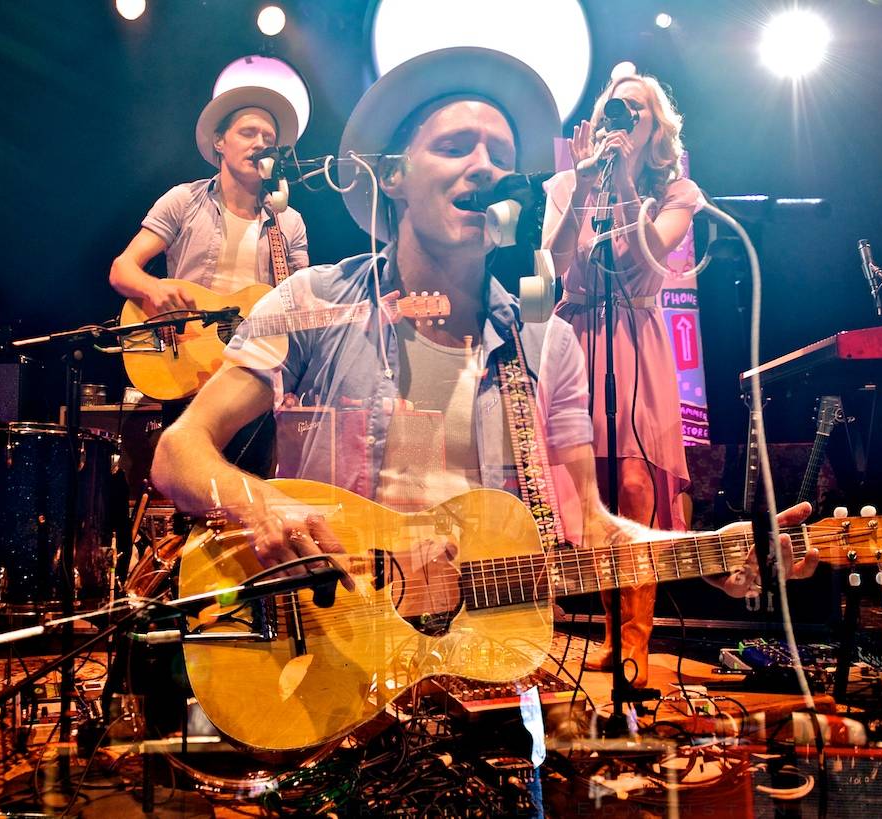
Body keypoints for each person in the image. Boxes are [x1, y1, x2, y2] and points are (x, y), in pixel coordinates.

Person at [150, 49, 816, 695]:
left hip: (474, 677)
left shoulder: (546, 344)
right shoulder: (313, 302)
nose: (484, 167)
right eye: (454, 147)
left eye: (499, 155)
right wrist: (260, 503)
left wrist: (712, 551)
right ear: (393, 176)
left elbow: (590, 525)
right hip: (330, 657)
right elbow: (178, 451)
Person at [542, 72, 701, 686]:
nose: (625, 118)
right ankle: (610, 635)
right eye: (617, 107)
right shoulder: (569, 183)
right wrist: (585, 185)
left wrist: (628, 185)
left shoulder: (676, 191)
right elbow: (556, 262)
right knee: (595, 493)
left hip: (636, 337)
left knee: (635, 486)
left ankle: (636, 638)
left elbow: (649, 258)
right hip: (579, 336)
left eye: (637, 109)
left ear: (657, 126)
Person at [108, 85, 310, 478]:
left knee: (248, 492)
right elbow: (123, 269)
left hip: (254, 375)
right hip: (187, 362)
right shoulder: (184, 201)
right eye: (248, 133)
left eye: (268, 138)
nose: (260, 144)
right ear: (219, 141)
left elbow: (300, 301)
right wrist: (153, 288)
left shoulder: (289, 223)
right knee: (190, 488)